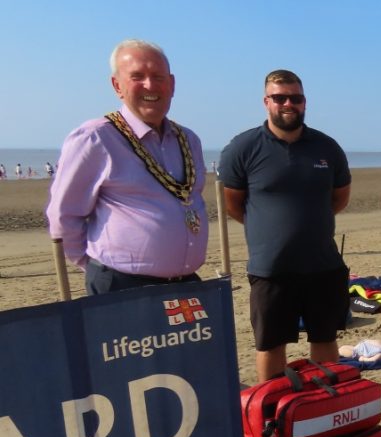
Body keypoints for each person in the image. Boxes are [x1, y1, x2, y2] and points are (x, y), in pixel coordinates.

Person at [45, 39, 208, 295]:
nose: (150, 85)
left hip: (185, 285)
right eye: (137, 77)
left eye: (158, 76)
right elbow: (64, 216)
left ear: (172, 84)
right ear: (117, 85)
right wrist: (98, 269)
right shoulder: (96, 139)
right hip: (122, 287)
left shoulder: (189, 140)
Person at [219, 69, 351, 383]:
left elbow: (339, 199)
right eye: (280, 98)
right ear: (267, 102)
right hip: (270, 269)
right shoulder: (243, 147)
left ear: (305, 102)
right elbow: (234, 204)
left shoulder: (327, 148)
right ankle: (272, 414)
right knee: (271, 344)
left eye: (296, 98)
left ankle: (323, 403)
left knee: (324, 338)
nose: (288, 103)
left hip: (322, 264)